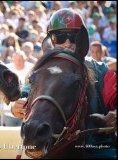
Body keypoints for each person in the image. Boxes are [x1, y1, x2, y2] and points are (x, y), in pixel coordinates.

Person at [11, 8, 117, 159]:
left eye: (72, 36)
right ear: (51, 40)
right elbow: (24, 97)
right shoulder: (42, 69)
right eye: (59, 37)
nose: (67, 43)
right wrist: (16, 107)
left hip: (98, 150)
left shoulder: (101, 71)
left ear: (81, 39)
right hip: (53, 150)